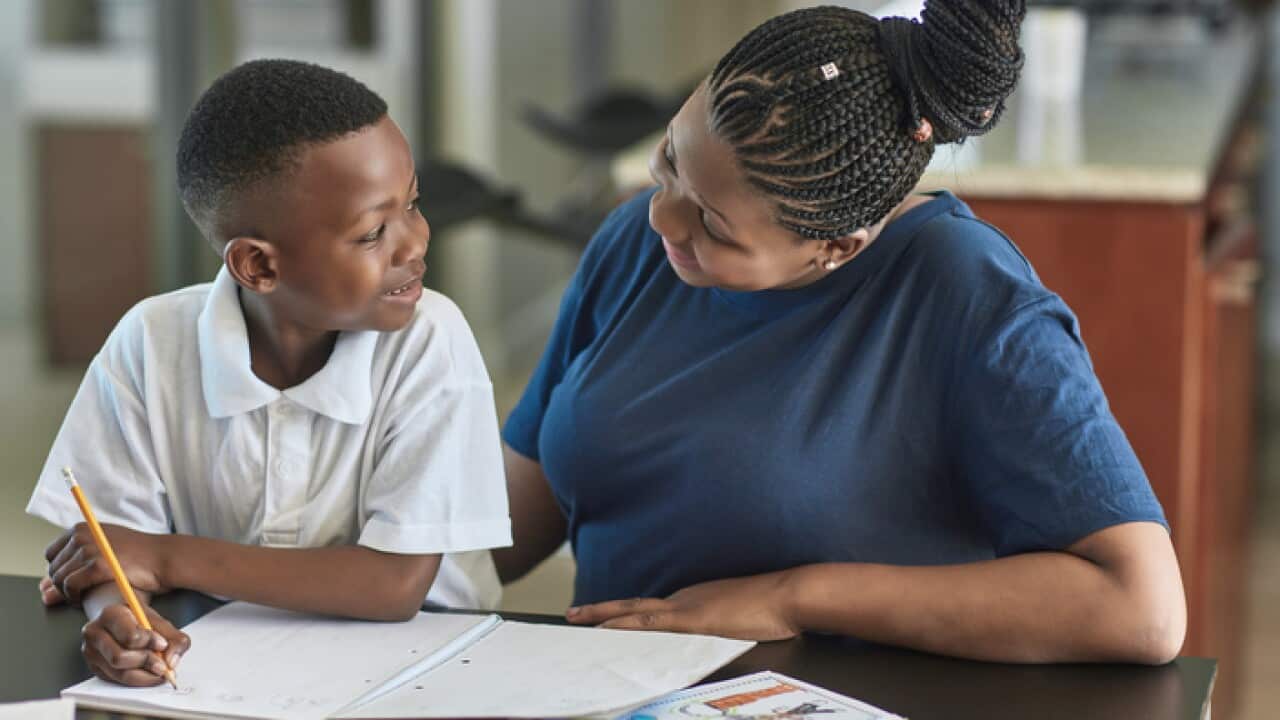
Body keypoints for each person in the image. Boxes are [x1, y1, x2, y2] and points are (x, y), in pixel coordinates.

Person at [495, 1, 1186, 664]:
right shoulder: (633, 245)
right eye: (670, 161)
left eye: (711, 223)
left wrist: (795, 598)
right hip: (612, 689)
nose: (663, 221)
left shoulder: (968, 293)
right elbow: (514, 518)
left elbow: (1141, 608)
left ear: (838, 249)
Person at [27, 59, 512, 686]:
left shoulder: (429, 340)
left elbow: (394, 586)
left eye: (412, 205)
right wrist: (122, 615)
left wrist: (168, 559)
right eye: (372, 233)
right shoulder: (148, 344)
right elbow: (114, 554)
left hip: (426, 673)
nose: (415, 242)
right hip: (225, 673)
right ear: (257, 266)